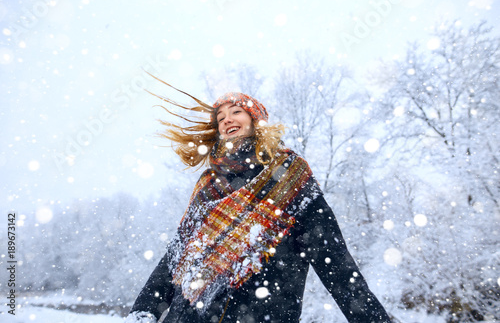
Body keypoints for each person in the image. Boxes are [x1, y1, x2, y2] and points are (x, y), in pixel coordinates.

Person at [125, 79, 392, 323]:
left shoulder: (289, 177)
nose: (227, 119)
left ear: (255, 120)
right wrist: (144, 310)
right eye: (220, 117)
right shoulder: (209, 184)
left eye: (236, 112)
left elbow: (333, 260)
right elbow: (177, 256)